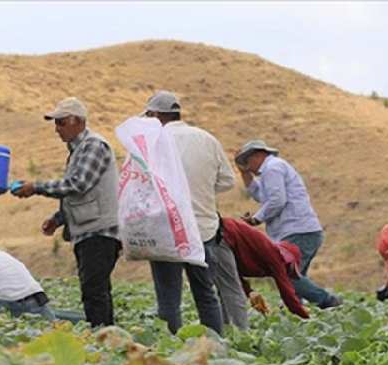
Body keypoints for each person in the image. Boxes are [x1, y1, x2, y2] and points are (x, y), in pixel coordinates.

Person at [141, 90, 249, 333]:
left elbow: (142, 185)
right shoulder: (206, 139)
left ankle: (172, 349)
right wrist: (200, 189)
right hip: (203, 230)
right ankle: (215, 343)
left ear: (155, 114)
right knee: (206, 293)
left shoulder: (153, 142)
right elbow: (227, 182)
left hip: (166, 230)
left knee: (169, 299)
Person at [13, 98, 121, 327]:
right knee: (95, 291)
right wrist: (59, 219)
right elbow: (82, 194)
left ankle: (104, 340)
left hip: (100, 230)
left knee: (94, 293)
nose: (57, 129)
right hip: (89, 230)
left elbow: (78, 184)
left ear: (77, 121)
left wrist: (36, 187)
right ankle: (107, 339)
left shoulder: (93, 146)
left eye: (61, 122)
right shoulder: (79, 150)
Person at [235, 140, 342, 309]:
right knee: (293, 279)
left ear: (257, 155)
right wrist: (245, 175)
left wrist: (256, 219)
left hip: (296, 230)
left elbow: (277, 200)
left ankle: (328, 301)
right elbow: (262, 197)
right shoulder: (272, 169)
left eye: (247, 162)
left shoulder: (272, 168)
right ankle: (294, 311)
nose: (248, 167)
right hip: (302, 230)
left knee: (286, 274)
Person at [218, 216, 310, 319]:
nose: (286, 272)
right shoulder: (275, 256)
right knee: (231, 293)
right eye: (289, 269)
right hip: (225, 232)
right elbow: (286, 292)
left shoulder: (263, 259)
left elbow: (233, 270)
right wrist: (305, 316)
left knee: (224, 289)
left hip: (223, 235)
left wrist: (250, 292)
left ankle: (225, 328)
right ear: (287, 262)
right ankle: (235, 329)